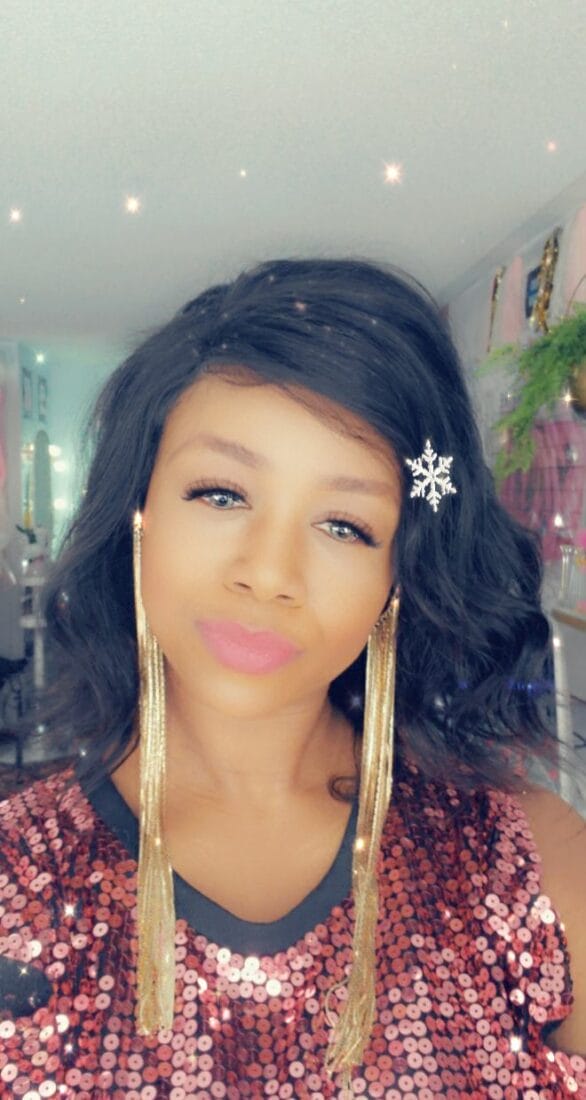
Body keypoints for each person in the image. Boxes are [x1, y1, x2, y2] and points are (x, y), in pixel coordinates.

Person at [0, 256, 585, 1098]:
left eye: (345, 525)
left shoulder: (531, 864)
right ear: (140, 512)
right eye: (221, 494)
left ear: (400, 570)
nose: (269, 573)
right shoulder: (17, 877)